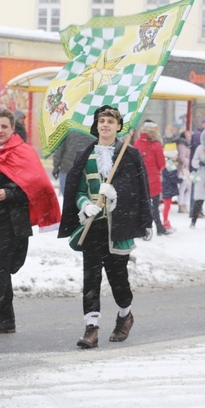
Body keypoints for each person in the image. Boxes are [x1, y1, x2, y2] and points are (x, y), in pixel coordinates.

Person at [58, 105, 152, 349]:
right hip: (92, 227)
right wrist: (84, 204)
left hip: (118, 227)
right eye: (102, 121)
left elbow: (139, 190)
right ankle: (91, 328)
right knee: (91, 278)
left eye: (111, 121)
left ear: (119, 126)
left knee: (118, 278)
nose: (106, 125)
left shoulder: (128, 155)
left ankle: (125, 315)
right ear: (96, 125)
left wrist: (116, 198)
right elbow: (77, 190)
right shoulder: (84, 155)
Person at [0, 108, 60, 337]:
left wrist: (8, 193)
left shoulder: (23, 152)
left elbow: (35, 189)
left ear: (12, 128)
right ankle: (7, 320)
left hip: (12, 221)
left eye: (4, 126)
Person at [134, 120, 171, 236]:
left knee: (140, 206)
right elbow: (162, 164)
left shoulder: (137, 143)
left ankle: (142, 230)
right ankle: (159, 228)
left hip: (139, 178)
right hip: (153, 180)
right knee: (154, 207)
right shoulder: (156, 145)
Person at [52, 131, 95, 196]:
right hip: (84, 170)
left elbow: (59, 149)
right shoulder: (93, 132)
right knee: (83, 197)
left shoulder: (68, 128)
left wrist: (56, 166)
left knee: (67, 198)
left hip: (66, 169)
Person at [160, 143, 180, 231]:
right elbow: (173, 178)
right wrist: (181, 180)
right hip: (168, 188)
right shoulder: (170, 163)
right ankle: (165, 223)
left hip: (166, 186)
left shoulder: (167, 162)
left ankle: (166, 222)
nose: (177, 155)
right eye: (176, 154)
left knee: (167, 206)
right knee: (167, 206)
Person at [191, 139, 205, 229]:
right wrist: (199, 163)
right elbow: (194, 162)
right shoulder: (200, 148)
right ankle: (193, 221)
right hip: (202, 176)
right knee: (199, 201)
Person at [176, 131, 191, 214]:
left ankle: (183, 204)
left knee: (187, 187)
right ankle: (181, 205)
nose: (189, 137)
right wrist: (189, 161)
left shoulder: (187, 144)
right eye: (187, 135)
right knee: (183, 187)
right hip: (183, 169)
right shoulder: (182, 144)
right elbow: (182, 157)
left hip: (186, 169)